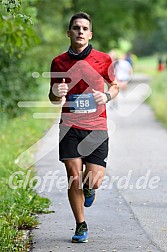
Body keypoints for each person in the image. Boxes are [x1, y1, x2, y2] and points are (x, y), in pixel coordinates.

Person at [49, 12, 119, 243]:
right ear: (69, 33)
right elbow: (53, 96)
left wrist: (106, 95)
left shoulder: (103, 60)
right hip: (69, 126)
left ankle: (91, 188)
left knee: (93, 180)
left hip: (97, 126)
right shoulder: (59, 62)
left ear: (90, 34)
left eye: (84, 28)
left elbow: (115, 86)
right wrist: (54, 93)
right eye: (76, 28)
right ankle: (80, 225)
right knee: (73, 176)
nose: (80, 31)